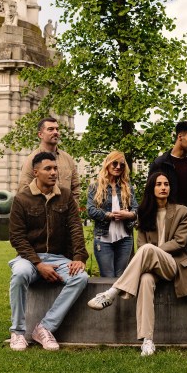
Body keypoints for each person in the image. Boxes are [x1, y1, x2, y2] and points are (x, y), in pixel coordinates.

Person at [87, 172, 187, 356]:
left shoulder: (183, 212)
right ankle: (147, 341)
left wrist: (154, 251)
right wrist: (150, 252)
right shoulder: (145, 214)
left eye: (166, 184)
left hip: (174, 265)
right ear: (152, 188)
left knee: (148, 249)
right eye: (158, 184)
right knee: (146, 280)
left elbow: (179, 242)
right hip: (151, 268)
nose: (163, 187)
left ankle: (113, 292)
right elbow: (140, 245)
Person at [8, 152, 89, 352]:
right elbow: (17, 237)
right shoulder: (22, 199)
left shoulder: (66, 196)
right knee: (19, 274)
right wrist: (38, 264)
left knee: (81, 277)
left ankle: (45, 327)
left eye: (55, 169)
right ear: (36, 172)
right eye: (48, 169)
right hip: (29, 259)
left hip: (58, 258)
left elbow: (75, 228)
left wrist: (79, 257)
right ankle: (17, 332)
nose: (54, 172)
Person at [149, 121, 187, 261]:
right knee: (165, 267)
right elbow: (151, 195)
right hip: (166, 227)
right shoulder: (159, 164)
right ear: (180, 136)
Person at [87, 151, 138, 277]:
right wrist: (108, 215)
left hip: (125, 238)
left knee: (121, 278)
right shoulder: (95, 186)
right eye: (114, 163)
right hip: (103, 239)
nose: (118, 167)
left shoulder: (127, 187)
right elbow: (91, 210)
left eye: (122, 164)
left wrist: (129, 215)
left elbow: (136, 209)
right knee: (107, 277)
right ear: (107, 164)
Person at [18, 117, 80, 204]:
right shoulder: (31, 159)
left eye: (57, 129)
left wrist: (73, 209)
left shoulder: (67, 158)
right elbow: (24, 190)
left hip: (66, 214)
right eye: (50, 129)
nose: (55, 132)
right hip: (42, 214)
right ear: (40, 134)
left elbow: (76, 187)